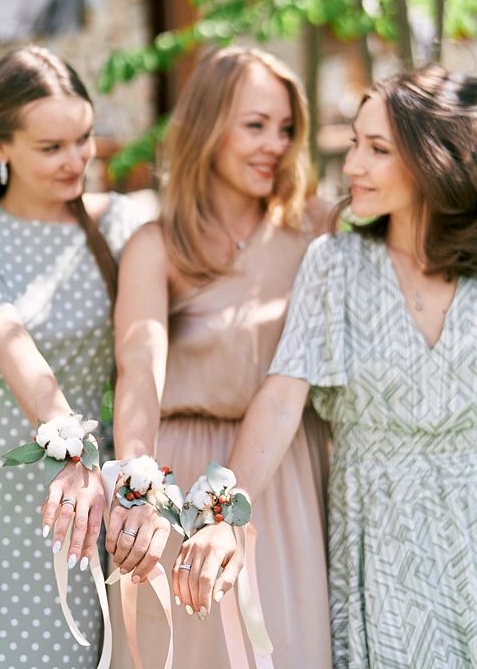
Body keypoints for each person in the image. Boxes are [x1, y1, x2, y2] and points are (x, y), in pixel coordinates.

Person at [179, 65, 477, 668]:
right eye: (355, 143)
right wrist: (223, 512)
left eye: (377, 149)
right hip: (379, 542)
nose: (352, 166)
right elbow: (281, 396)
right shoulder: (335, 264)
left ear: (437, 159)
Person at [105, 46, 333, 668]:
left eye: (286, 128)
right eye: (256, 125)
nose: (276, 145)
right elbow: (138, 365)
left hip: (282, 474)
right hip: (178, 475)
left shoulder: (318, 230)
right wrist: (138, 487)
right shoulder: (158, 243)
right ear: (208, 127)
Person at [0, 46, 142, 669]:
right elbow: (8, 341)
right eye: (51, 147)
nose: (76, 159)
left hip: (85, 500)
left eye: (83, 139)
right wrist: (71, 448)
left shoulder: (122, 227)